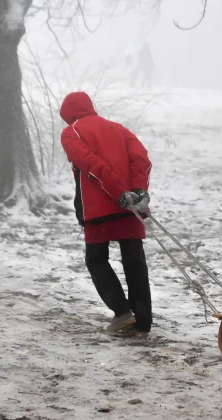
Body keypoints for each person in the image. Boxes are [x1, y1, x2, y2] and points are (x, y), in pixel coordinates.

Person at [59, 91, 153, 333]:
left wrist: (117, 193)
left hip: (99, 207)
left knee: (96, 259)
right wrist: (139, 190)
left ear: (68, 114)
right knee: (134, 260)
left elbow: (89, 164)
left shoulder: (71, 132)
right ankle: (143, 320)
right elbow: (140, 159)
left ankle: (122, 312)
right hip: (130, 207)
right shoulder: (118, 128)